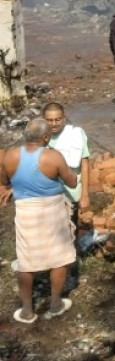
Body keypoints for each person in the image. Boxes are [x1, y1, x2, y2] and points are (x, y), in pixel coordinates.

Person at [0, 119, 77, 323]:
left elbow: (4, 180)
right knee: (59, 257)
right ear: (45, 137)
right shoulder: (53, 156)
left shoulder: (10, 155)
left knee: (25, 261)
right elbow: (72, 180)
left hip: (26, 210)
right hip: (52, 209)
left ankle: (27, 311)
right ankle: (55, 304)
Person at [42, 103, 90, 289]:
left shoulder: (75, 135)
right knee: (50, 233)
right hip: (47, 195)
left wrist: (85, 194)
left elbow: (84, 164)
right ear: (43, 120)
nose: (54, 124)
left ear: (64, 117)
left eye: (57, 119)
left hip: (71, 193)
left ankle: (70, 269)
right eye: (49, 120)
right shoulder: (40, 138)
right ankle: (52, 270)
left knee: (70, 233)